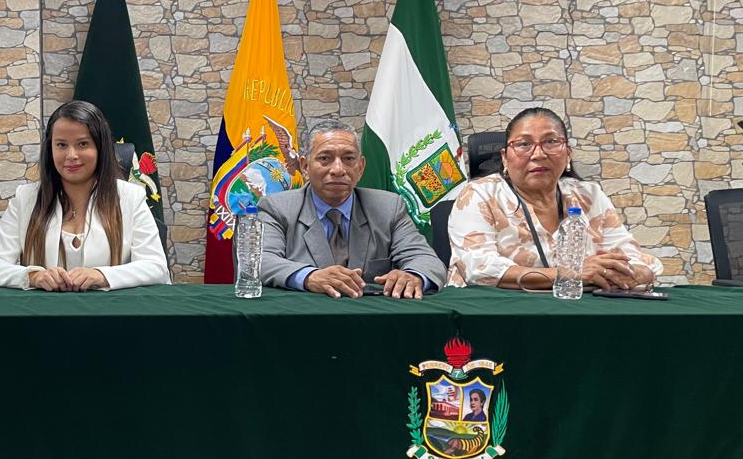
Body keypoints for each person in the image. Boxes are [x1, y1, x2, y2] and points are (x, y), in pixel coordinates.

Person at [447, 107, 662, 290]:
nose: (538, 154)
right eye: (523, 144)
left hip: (580, 311)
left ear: (568, 154)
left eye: (550, 142)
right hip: (493, 313)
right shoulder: (480, 195)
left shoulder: (589, 195)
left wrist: (633, 273)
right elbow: (478, 268)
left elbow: (634, 258)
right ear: (504, 157)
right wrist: (570, 274)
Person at [0, 100, 170, 290]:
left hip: (109, 308)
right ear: (50, 149)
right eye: (61, 145)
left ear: (100, 148)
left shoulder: (131, 197)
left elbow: (156, 268)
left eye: (83, 144)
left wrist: (102, 275)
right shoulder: (26, 198)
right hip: (43, 308)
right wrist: (33, 276)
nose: (71, 155)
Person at [258, 119, 446, 298]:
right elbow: (261, 260)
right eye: (325, 158)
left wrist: (413, 276)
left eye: (348, 158)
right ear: (305, 167)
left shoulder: (388, 207)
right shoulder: (277, 208)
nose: (338, 169)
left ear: (361, 167)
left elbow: (426, 260)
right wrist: (309, 276)